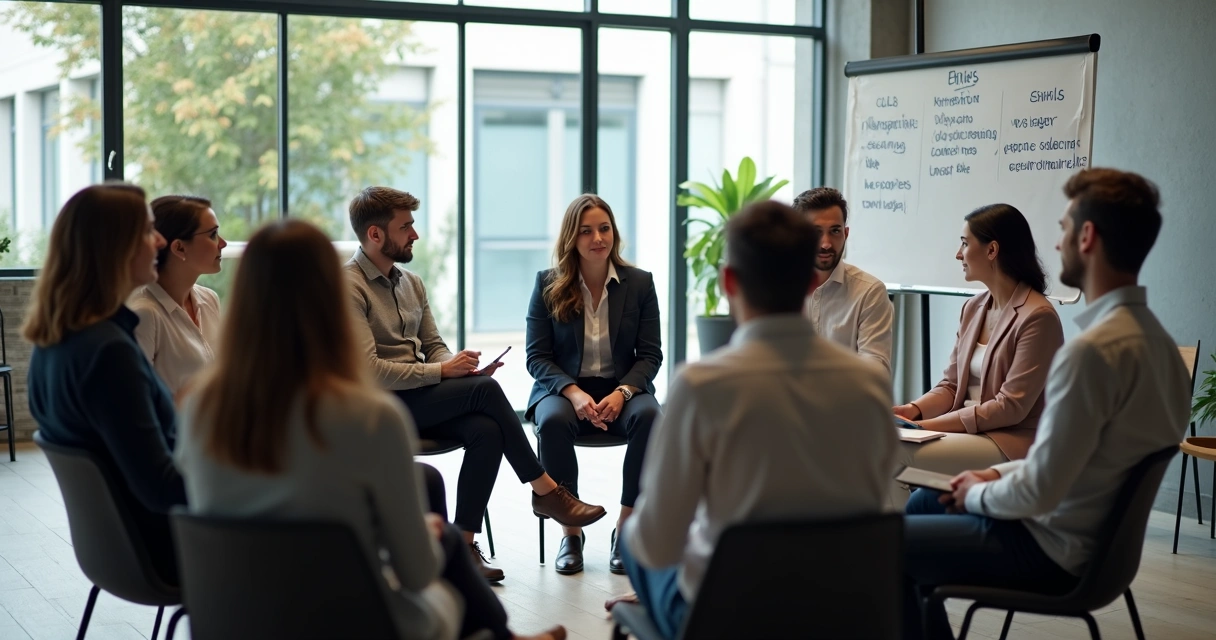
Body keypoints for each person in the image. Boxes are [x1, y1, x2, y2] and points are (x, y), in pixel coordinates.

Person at [176, 219, 566, 640]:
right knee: (446, 543)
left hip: (234, 618)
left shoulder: (198, 407)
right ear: (329, 298)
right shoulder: (370, 417)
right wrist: (422, 536)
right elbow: (416, 574)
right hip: (351, 621)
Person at [901, 168, 1191, 640]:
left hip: (1050, 548)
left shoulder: (1093, 354)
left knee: (886, 546)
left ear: (1087, 237)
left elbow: (1040, 489)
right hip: (1094, 550)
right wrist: (994, 475)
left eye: (1063, 228)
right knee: (921, 503)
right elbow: (1067, 462)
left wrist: (975, 493)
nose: (1056, 243)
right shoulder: (1160, 349)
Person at [612, 201, 896, 639]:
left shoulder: (701, 386)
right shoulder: (869, 384)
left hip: (726, 616)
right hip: (842, 611)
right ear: (809, 283)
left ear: (729, 281)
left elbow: (657, 545)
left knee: (635, 540)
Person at [344, 186, 606, 581]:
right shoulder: (348, 286)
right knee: (485, 392)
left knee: (486, 429)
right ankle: (546, 491)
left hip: (420, 399)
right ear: (375, 234)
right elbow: (370, 371)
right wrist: (442, 373)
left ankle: (464, 547)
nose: (415, 234)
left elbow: (433, 346)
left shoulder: (412, 282)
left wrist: (458, 367)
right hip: (381, 409)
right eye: (405, 227)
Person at [24, 182, 182, 583]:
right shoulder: (109, 353)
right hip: (167, 548)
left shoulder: (55, 341)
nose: (160, 240)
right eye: (148, 230)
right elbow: (161, 488)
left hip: (116, 552)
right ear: (115, 246)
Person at [525, 194, 663, 575]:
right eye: (586, 231)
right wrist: (572, 392)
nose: (597, 238)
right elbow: (537, 356)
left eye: (604, 229)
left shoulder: (640, 283)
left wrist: (623, 392)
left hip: (624, 387)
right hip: (564, 389)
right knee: (552, 421)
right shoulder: (548, 283)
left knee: (650, 417)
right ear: (572, 237)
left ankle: (626, 529)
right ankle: (571, 534)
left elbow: (650, 355)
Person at [891, 204, 1064, 507]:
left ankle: (891, 536)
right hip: (966, 434)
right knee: (881, 443)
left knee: (894, 452)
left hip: (1009, 443)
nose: (958, 254)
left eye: (964, 243)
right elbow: (950, 386)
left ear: (992, 250)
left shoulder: (1038, 317)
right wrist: (912, 411)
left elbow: (1010, 408)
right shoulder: (973, 307)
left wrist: (927, 427)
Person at [128, 195, 225, 398]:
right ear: (179, 247)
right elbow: (137, 400)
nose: (222, 243)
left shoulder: (210, 299)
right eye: (213, 234)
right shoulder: (144, 314)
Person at [792, 187, 894, 374]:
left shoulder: (869, 292)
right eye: (815, 232)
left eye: (835, 231)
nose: (826, 244)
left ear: (846, 233)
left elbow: (875, 372)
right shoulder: (777, 288)